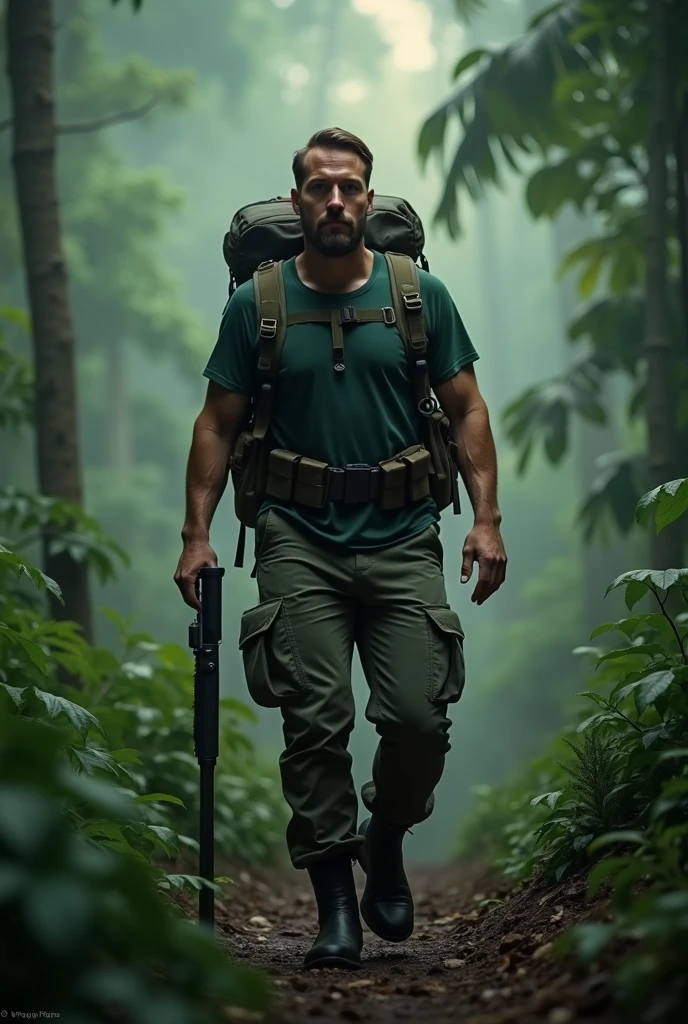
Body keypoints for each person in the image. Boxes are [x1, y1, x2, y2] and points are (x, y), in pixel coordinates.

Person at [174, 128, 507, 970]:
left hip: (402, 536)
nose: (333, 200)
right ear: (296, 202)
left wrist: (485, 517)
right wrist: (196, 536)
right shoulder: (257, 303)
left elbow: (467, 408)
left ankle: (385, 836)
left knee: (417, 716)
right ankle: (334, 908)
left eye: (349, 187)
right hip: (295, 535)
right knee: (313, 723)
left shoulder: (418, 294)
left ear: (368, 197)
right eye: (318, 188)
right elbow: (216, 422)